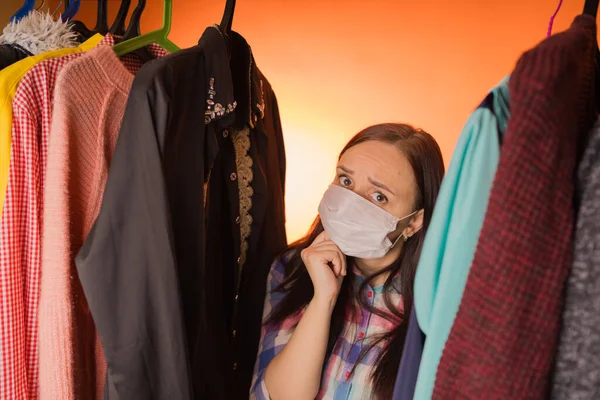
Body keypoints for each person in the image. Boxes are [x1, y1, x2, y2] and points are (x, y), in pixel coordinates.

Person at [250, 123, 445, 400]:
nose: (351, 202)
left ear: (413, 222)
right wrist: (323, 300)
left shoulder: (442, 303)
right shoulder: (291, 268)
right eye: (345, 181)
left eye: (379, 196)